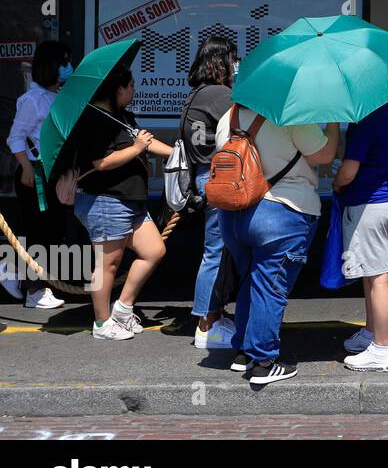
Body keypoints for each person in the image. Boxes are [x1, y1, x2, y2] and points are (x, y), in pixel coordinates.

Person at [215, 104, 339, 385]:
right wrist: (333, 122)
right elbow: (324, 155)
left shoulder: (229, 115)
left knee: (252, 280)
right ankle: (263, 361)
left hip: (233, 215)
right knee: (270, 285)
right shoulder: (292, 114)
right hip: (281, 210)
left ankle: (243, 352)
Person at [72, 64, 175, 340]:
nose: (134, 91)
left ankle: (123, 308)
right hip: (107, 200)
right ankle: (102, 323)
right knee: (108, 265)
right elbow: (101, 162)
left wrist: (177, 155)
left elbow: (147, 142)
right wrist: (137, 148)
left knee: (154, 250)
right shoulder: (96, 120)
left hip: (131, 200)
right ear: (119, 89)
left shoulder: (123, 117)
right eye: (131, 86)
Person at [332, 98, 388, 372]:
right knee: (376, 272)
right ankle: (371, 334)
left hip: (370, 202)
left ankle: (380, 349)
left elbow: (349, 170)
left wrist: (337, 183)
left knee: (378, 278)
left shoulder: (366, 119)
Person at [3, 40, 72, 309]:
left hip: (54, 174)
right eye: (64, 62)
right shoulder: (31, 99)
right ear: (50, 66)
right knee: (38, 233)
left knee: (52, 231)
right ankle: (34, 290)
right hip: (36, 174)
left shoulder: (58, 95)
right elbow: (15, 137)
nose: (68, 67)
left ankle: (17, 274)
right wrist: (28, 168)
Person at [182, 37, 237, 349]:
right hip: (218, 177)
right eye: (232, 59)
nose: (235, 64)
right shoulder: (221, 95)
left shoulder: (196, 95)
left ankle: (213, 315)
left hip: (203, 177)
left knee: (217, 250)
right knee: (216, 252)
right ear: (221, 61)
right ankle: (207, 325)